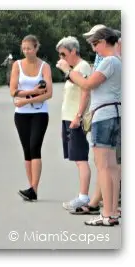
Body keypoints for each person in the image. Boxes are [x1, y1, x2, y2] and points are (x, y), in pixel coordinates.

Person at [56, 27, 121, 226]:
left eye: (94, 44)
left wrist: (68, 71)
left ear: (103, 41)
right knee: (111, 167)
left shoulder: (109, 61)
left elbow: (87, 84)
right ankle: (112, 212)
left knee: (103, 167)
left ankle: (107, 214)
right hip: (115, 114)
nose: (94, 50)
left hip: (104, 116)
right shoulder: (119, 61)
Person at [9, 35, 53, 201]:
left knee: (35, 147)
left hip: (40, 113)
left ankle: (34, 188)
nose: (26, 51)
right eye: (24, 48)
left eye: (29, 48)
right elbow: (13, 91)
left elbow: (48, 93)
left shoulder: (45, 67)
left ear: (36, 48)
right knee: (27, 151)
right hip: (21, 115)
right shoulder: (17, 65)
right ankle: (31, 188)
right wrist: (33, 92)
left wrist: (28, 99)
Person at [55, 36, 92, 210]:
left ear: (73, 51)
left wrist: (78, 116)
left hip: (76, 118)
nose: (61, 58)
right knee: (77, 158)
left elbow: (85, 91)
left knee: (81, 158)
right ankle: (82, 196)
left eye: (64, 54)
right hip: (68, 118)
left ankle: (83, 196)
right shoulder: (73, 69)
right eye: (60, 55)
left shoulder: (82, 66)